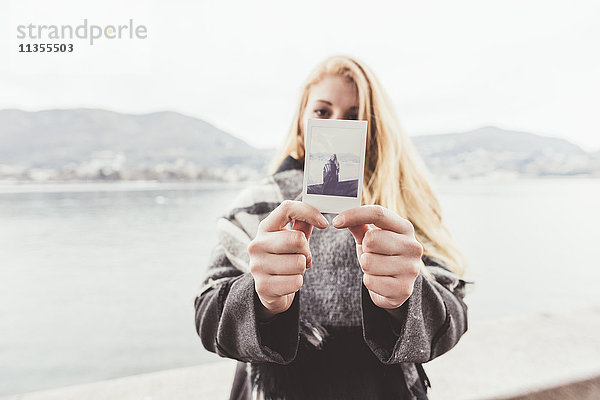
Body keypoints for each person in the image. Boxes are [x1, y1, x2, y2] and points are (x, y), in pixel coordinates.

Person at [194, 55, 470, 400]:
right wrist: (259, 298)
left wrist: (406, 299)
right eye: (323, 112)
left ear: (375, 127)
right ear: (300, 123)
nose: (337, 126)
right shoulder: (259, 205)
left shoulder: (404, 205)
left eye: (355, 116)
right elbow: (207, 320)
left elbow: (452, 321)